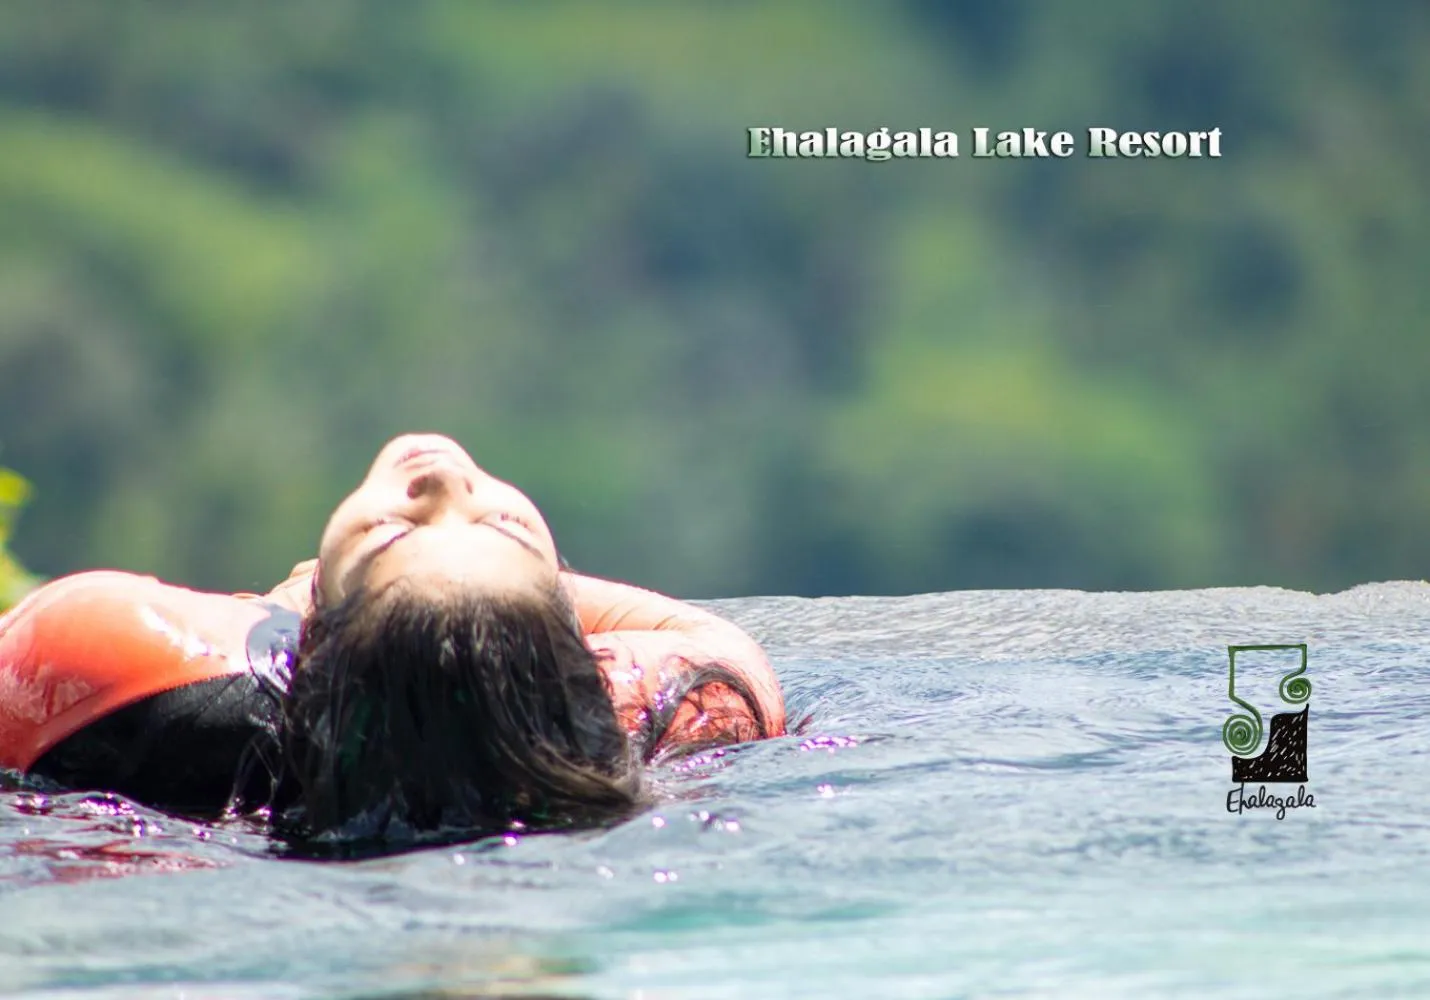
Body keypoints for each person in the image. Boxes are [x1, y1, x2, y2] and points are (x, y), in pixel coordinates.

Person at [0, 434, 785, 845]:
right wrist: (479, 623)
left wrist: (319, 600)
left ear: (313, 646)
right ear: (584, 665)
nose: (445, 484)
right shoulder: (658, 715)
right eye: (505, 528)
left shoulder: (123, 669)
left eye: (390, 535)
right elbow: (712, 640)